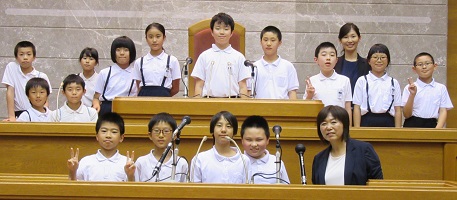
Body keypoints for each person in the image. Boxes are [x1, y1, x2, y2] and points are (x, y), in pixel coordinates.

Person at [312, 105, 383, 185]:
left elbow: (378, 184)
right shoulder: (319, 159)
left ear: (344, 125)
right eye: (324, 124)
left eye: (333, 122)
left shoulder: (363, 150)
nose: (328, 127)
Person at [191, 13, 250, 98]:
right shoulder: (204, 56)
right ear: (212, 32)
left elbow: (243, 86)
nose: (222, 32)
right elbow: (199, 85)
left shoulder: (239, 57)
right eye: (218, 29)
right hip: (208, 102)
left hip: (233, 102)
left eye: (226, 29)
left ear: (231, 33)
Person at [67, 112, 135, 181]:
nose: (108, 135)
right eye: (104, 131)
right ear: (97, 136)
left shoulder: (127, 163)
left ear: (121, 137)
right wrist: (72, 171)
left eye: (114, 132)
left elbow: (133, 190)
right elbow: (74, 189)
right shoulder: (86, 161)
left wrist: (130, 176)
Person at [191, 111, 250, 183]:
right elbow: (194, 190)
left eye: (228, 126)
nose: (223, 130)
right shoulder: (200, 159)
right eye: (219, 125)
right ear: (212, 130)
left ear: (234, 132)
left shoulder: (244, 160)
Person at [353, 44, 402, 127]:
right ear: (369, 61)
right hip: (366, 121)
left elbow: (398, 110)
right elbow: (357, 108)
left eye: (383, 57)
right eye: (375, 57)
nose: (379, 60)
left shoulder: (393, 82)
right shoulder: (362, 81)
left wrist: (398, 131)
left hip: (388, 122)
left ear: (388, 61)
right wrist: (357, 130)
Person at [303, 42, 352, 125]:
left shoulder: (344, 80)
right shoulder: (312, 81)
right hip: (319, 124)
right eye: (324, 55)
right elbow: (305, 108)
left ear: (336, 60)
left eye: (332, 55)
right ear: (316, 60)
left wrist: (349, 128)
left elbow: (348, 107)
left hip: (339, 124)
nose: (328, 58)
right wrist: (309, 95)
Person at [2, 41, 52, 121]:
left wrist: (44, 116)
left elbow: (45, 98)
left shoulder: (41, 76)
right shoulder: (11, 68)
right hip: (19, 113)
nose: (25, 57)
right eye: (21, 54)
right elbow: (10, 91)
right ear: (16, 57)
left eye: (28, 54)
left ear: (34, 57)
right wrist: (11, 116)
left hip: (37, 114)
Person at [402, 52, 453, 128]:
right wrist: (412, 95)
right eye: (420, 64)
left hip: (432, 125)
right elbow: (406, 114)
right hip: (412, 124)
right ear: (414, 69)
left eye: (427, 63)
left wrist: (438, 129)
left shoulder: (441, 88)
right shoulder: (409, 88)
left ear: (435, 66)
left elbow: (443, 111)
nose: (424, 67)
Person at [134, 112, 188, 182]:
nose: (161, 135)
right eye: (156, 131)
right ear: (150, 135)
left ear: (174, 135)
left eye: (166, 131)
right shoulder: (141, 162)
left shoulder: (181, 163)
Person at [248, 26, 299, 99]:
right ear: (260, 42)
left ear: (280, 43)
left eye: (273, 40)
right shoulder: (254, 67)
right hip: (259, 109)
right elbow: (249, 92)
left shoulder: (288, 66)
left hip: (283, 109)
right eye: (265, 40)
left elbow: (292, 92)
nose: (268, 43)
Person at [93, 36, 138, 116]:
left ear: (132, 52)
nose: (122, 53)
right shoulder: (105, 73)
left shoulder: (136, 73)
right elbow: (96, 97)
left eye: (126, 50)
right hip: (107, 109)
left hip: (129, 109)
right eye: (118, 50)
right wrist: (96, 105)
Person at [133, 23, 181, 97]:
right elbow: (138, 86)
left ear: (164, 38)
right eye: (150, 37)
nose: (154, 40)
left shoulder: (172, 60)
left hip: (164, 102)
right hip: (143, 102)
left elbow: (176, 88)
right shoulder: (139, 62)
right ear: (146, 39)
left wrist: (163, 95)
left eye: (158, 36)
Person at [241, 115, 289, 184]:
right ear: (242, 140)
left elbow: (287, 191)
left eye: (259, 140)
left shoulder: (276, 162)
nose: (254, 144)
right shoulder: (238, 162)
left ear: (267, 140)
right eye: (249, 140)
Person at [334, 23, 370, 96]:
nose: (350, 40)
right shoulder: (334, 63)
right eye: (345, 37)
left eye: (353, 36)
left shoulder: (368, 64)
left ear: (359, 38)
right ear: (340, 40)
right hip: (339, 106)